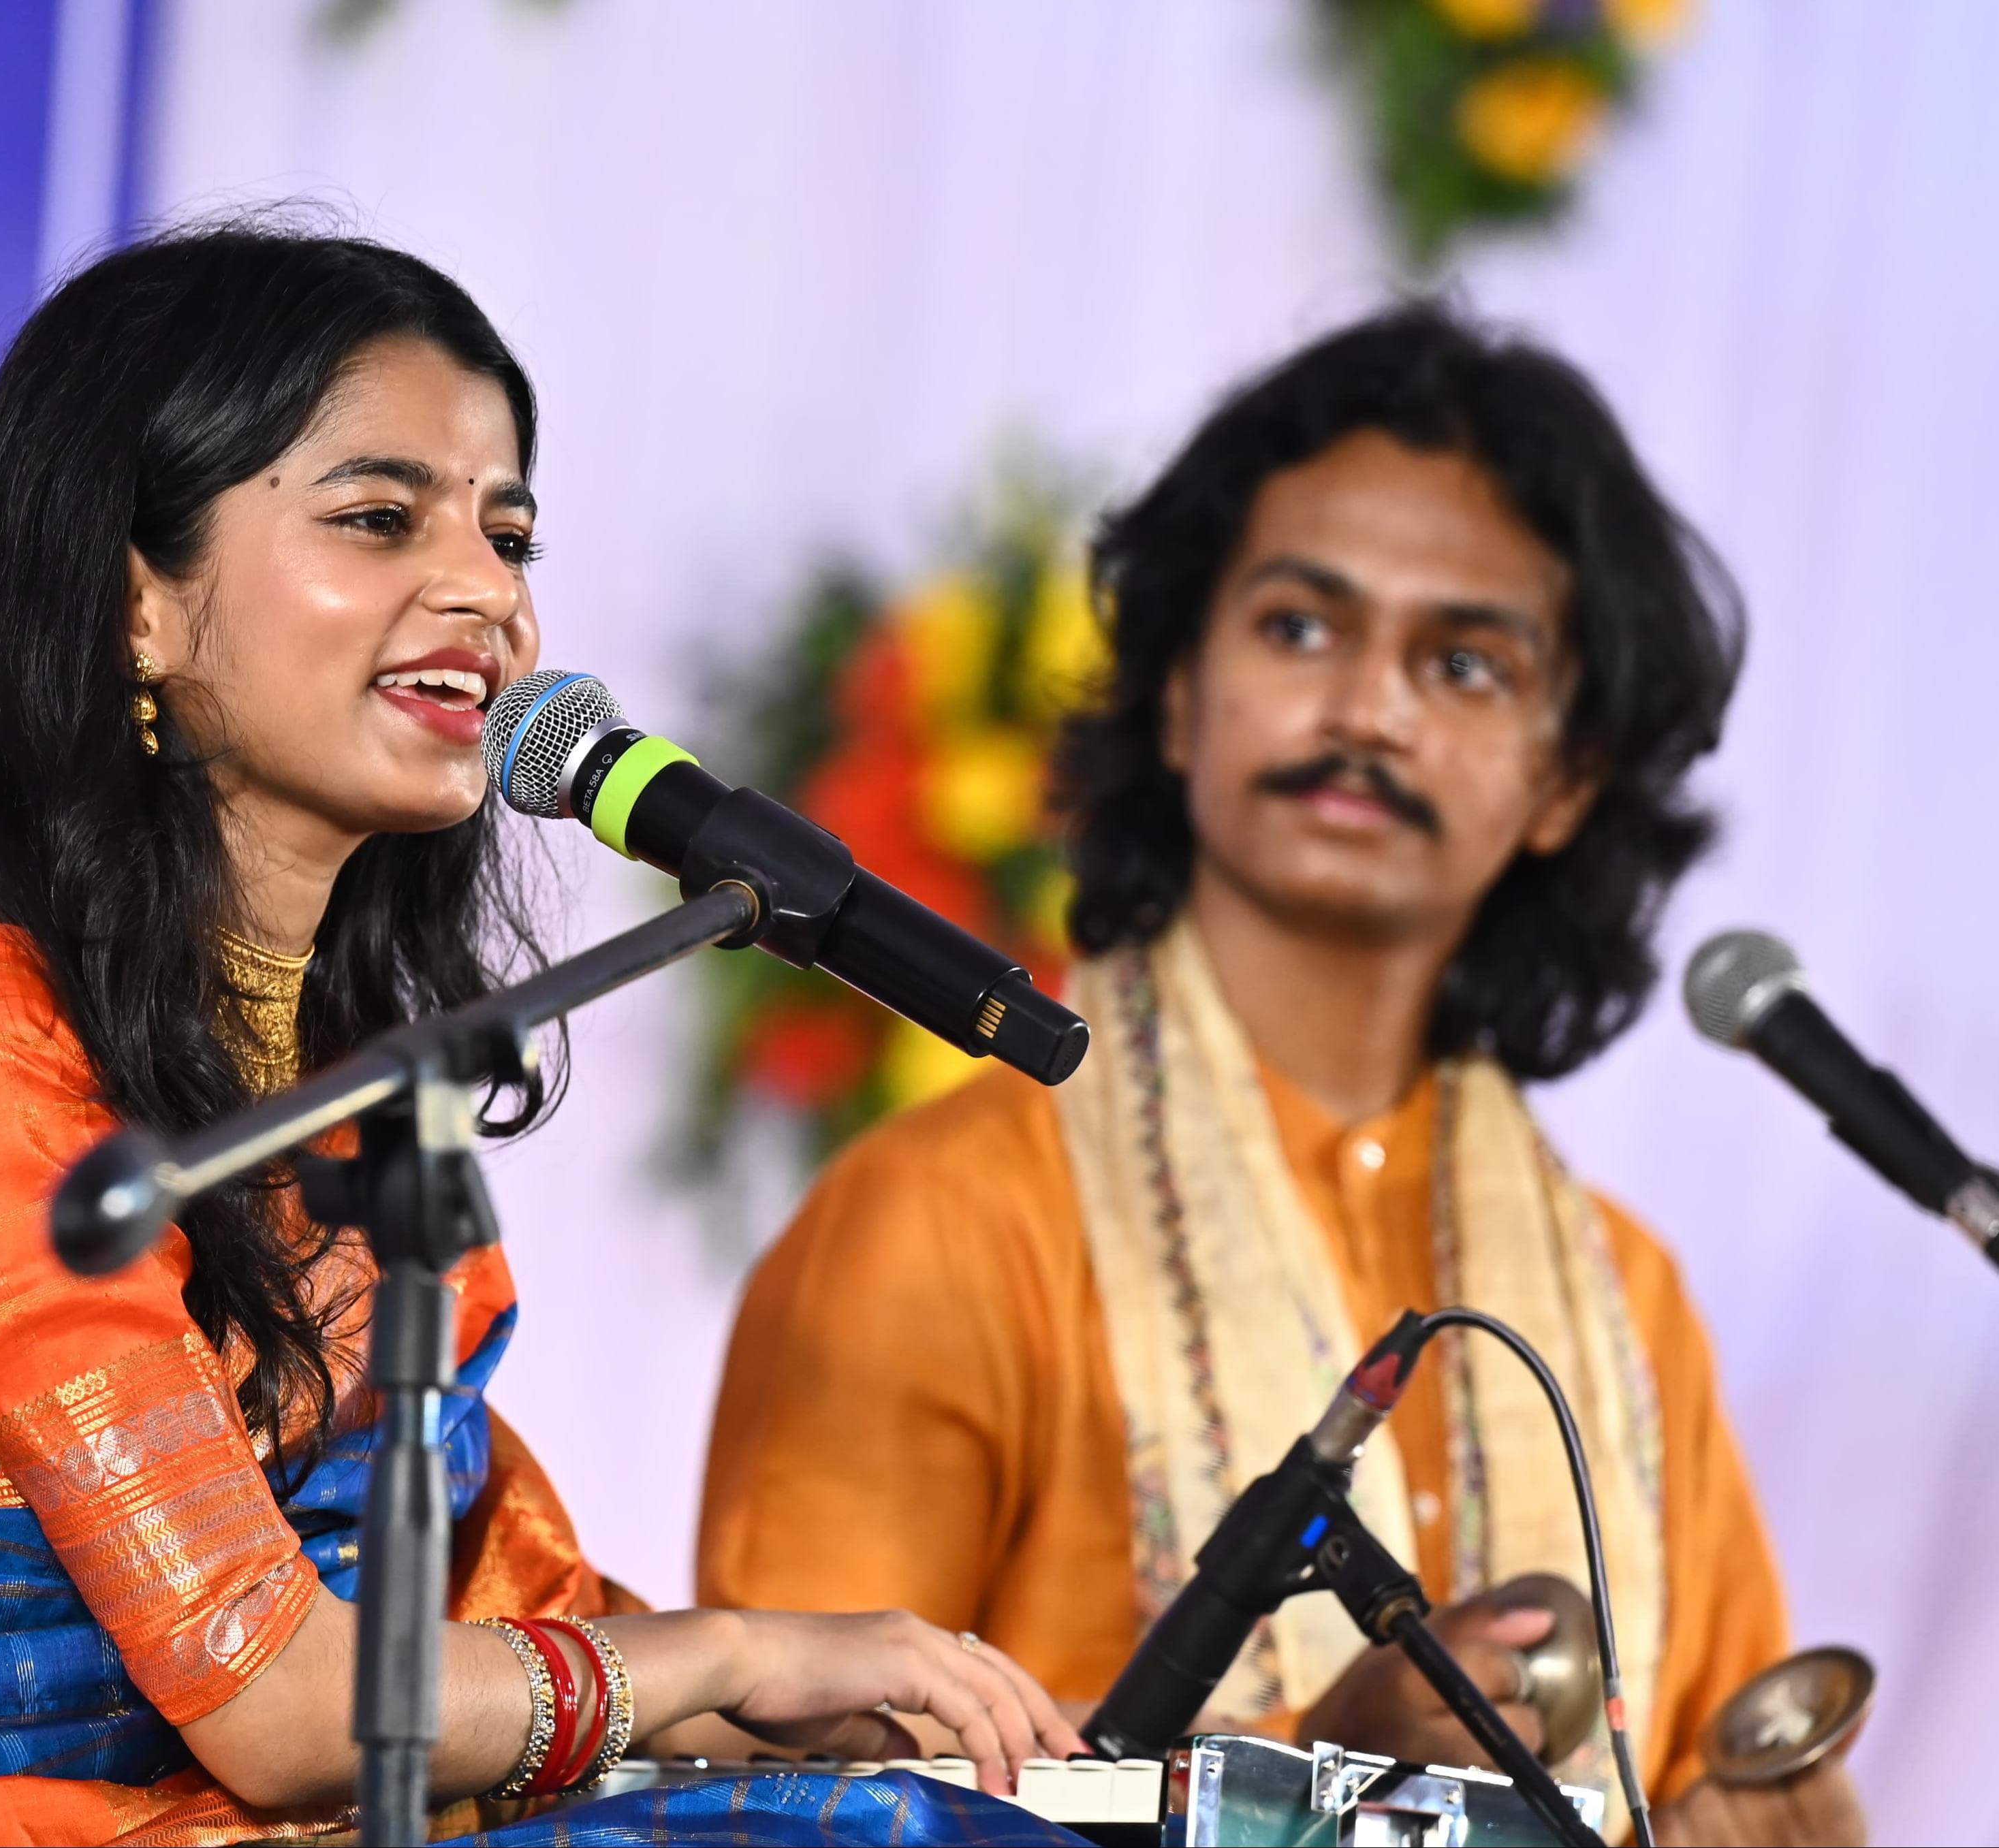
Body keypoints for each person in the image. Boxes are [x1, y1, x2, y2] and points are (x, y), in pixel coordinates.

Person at [0, 228, 1083, 1848]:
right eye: (379, 518)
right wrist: (731, 1656)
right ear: (137, 605)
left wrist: (883, 1712)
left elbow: (505, 1631)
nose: (488, 594)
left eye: (508, 534)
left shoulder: (353, 1109)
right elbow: (287, 1703)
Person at [697, 305, 1863, 1845]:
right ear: (1180, 692)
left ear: (1564, 777)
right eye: (1302, 629)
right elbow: (780, 1811)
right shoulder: (941, 1221)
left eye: (1463, 662)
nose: (1368, 709)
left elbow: (1715, 1777)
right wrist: (1295, 1787)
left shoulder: (1626, 1307)